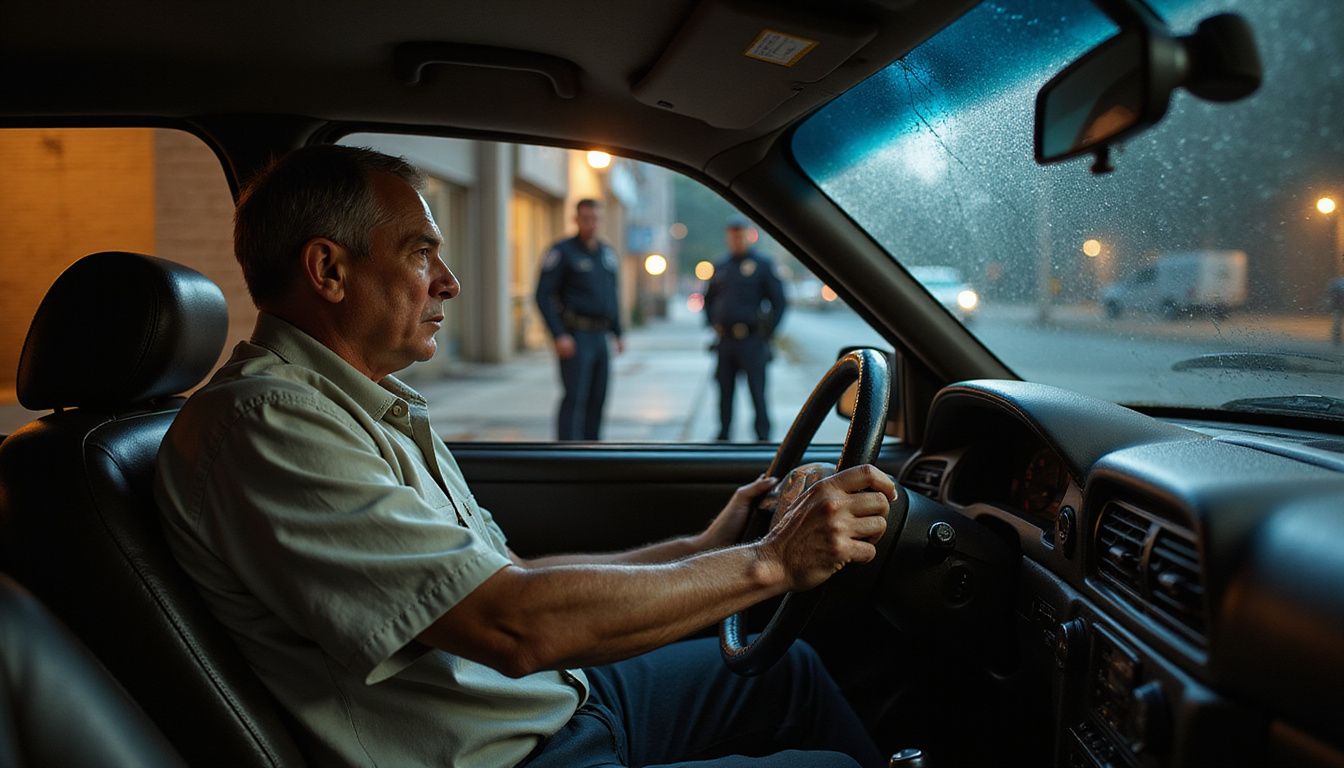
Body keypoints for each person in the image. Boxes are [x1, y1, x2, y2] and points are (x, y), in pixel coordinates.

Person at [155, 145, 894, 768]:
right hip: (515, 756)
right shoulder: (266, 423)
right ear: (329, 270)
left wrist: (709, 547)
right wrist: (771, 562)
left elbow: (508, 580)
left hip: (557, 703)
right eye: (421, 254)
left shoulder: (357, 402)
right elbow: (508, 626)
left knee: (788, 672)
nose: (449, 281)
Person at [535, 199, 624, 440]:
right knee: (575, 397)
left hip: (600, 336)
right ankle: (567, 454)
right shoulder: (562, 252)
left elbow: (612, 295)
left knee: (598, 397)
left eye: (595, 219)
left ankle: (593, 454)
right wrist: (558, 334)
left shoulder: (607, 253)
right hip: (576, 336)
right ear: (576, 220)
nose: (591, 224)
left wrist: (618, 332)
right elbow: (542, 295)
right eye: (586, 219)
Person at [705, 216, 787, 442]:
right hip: (726, 341)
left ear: (749, 236)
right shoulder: (721, 265)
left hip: (752, 340)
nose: (736, 240)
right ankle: (723, 435)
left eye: (740, 235)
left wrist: (767, 332)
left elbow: (779, 302)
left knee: (757, 393)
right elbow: (709, 299)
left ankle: (763, 437)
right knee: (724, 393)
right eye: (732, 235)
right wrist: (712, 322)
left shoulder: (762, 264)